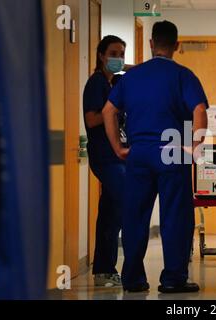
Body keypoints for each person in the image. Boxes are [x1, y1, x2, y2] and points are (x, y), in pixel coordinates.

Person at [102, 20, 208, 293]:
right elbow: (198, 111)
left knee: (135, 216)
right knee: (175, 216)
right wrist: (195, 146)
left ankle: (133, 279)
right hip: (173, 151)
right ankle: (173, 279)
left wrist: (118, 148)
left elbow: (107, 111)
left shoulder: (133, 76)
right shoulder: (184, 75)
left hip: (139, 153)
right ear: (176, 45)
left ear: (151, 44)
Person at [83, 35, 127, 286]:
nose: (117, 58)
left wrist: (123, 65)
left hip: (117, 156)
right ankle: (107, 266)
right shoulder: (97, 83)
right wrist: (114, 110)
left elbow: (133, 71)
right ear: (101, 55)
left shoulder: (115, 82)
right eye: (113, 53)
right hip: (104, 157)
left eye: (121, 53)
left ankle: (103, 270)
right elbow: (91, 120)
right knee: (123, 203)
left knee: (111, 211)